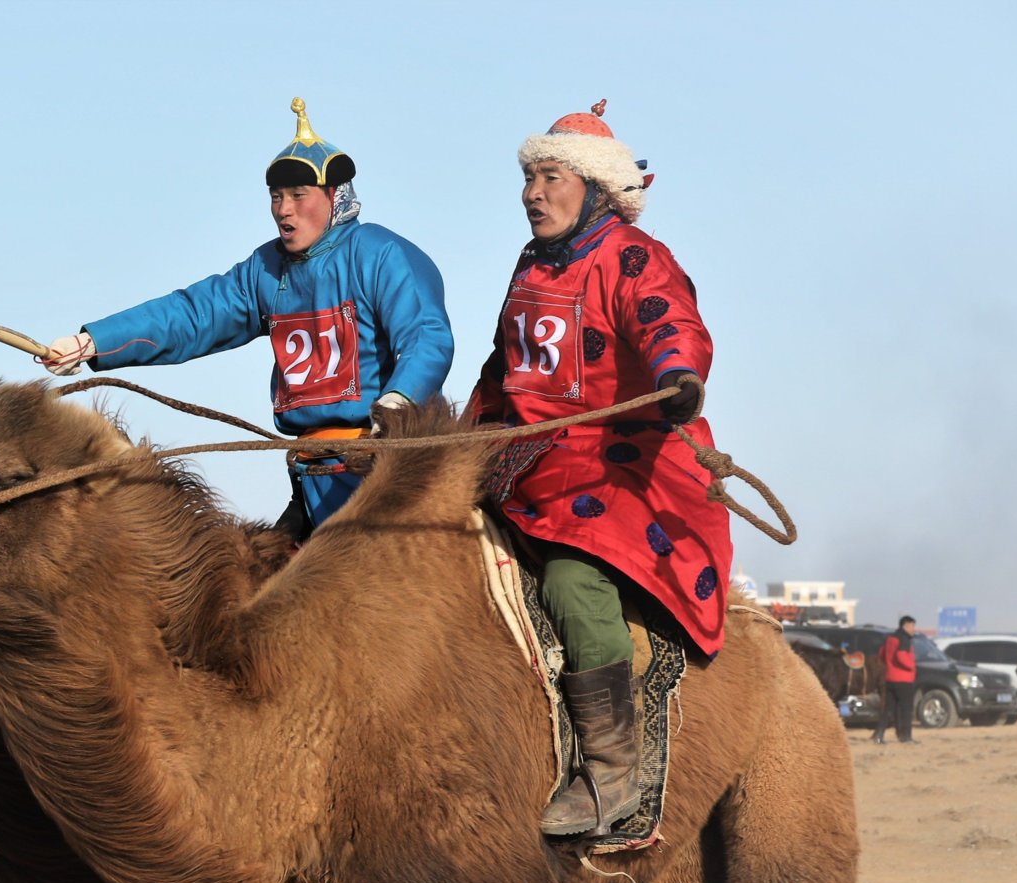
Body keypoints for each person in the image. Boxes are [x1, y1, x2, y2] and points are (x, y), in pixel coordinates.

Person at [463, 100, 729, 835]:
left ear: (594, 187)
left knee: (572, 579)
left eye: (550, 175)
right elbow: (504, 366)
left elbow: (669, 321)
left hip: (619, 465)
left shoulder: (634, 258)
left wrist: (679, 375)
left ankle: (612, 773)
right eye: (527, 177)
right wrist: (458, 442)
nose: (531, 192)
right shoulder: (531, 265)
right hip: (524, 461)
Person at [41, 97, 453, 538]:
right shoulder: (265, 270)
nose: (283, 209)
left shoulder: (383, 255)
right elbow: (193, 314)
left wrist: (397, 403)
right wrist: (91, 343)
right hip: (311, 477)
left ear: (335, 196)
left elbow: (427, 337)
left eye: (298, 195)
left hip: (385, 475)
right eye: (277, 197)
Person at [873, 617, 920, 745]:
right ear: (906, 626)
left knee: (888, 709)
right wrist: (912, 666)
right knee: (906, 709)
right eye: (912, 626)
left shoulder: (890, 638)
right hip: (903, 680)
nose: (913, 629)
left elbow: (881, 654)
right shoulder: (903, 639)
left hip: (889, 678)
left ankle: (879, 735)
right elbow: (901, 655)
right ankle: (906, 737)